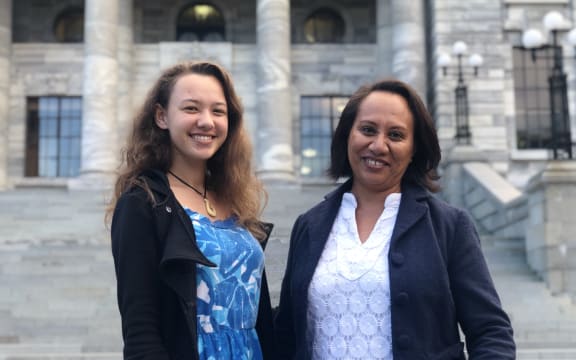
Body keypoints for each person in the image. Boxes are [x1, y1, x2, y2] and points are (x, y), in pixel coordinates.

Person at [274, 79, 516, 359]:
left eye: (396, 135)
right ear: (347, 135)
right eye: (367, 130)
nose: (378, 145)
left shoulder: (449, 227)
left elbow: (491, 332)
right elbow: (286, 333)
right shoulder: (309, 226)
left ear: (414, 149)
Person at [108, 61, 275, 360]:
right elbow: (141, 334)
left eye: (218, 111)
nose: (207, 121)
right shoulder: (142, 202)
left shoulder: (235, 198)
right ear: (161, 116)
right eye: (191, 109)